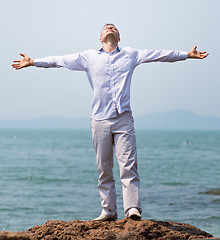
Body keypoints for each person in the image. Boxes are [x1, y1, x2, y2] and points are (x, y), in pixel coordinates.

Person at [12, 24, 208, 221]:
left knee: (128, 165)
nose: (110, 27)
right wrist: (34, 62)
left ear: (119, 38)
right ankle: (108, 211)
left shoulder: (130, 54)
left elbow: (158, 54)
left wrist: (186, 54)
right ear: (100, 38)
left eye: (113, 27)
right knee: (104, 168)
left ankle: (132, 209)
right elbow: (59, 61)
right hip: (99, 120)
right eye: (106, 27)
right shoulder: (88, 57)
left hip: (123, 118)